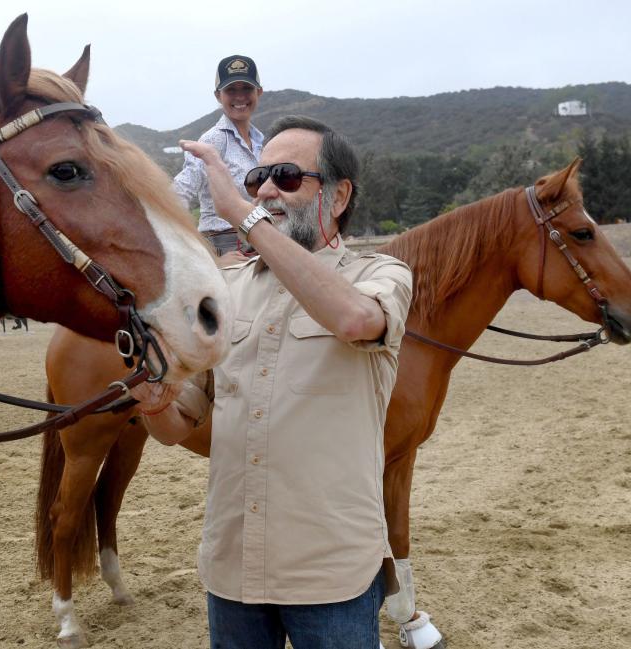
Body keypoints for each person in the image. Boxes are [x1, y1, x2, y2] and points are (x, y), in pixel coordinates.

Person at [133, 116, 413, 648]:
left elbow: (355, 322)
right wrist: (149, 397)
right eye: (256, 178)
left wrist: (244, 216)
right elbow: (177, 423)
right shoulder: (229, 286)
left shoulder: (380, 275)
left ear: (338, 194)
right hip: (233, 563)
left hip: (330, 571)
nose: (265, 189)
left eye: (285, 177)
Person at [173, 55, 265, 256]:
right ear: (218, 95)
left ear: (259, 92)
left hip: (259, 241)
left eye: (246, 89)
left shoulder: (260, 142)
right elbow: (181, 190)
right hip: (226, 244)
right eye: (231, 90)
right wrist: (209, 257)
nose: (239, 97)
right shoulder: (214, 139)